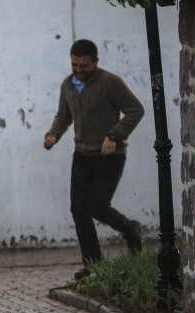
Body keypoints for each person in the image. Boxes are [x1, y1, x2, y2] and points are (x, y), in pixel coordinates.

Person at [44, 39, 144, 280]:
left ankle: (130, 229)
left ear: (96, 62)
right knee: (79, 210)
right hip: (82, 156)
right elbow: (64, 115)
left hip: (110, 155)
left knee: (97, 207)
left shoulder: (110, 83)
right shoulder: (67, 85)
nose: (78, 70)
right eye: (74, 65)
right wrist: (53, 133)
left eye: (84, 66)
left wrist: (114, 135)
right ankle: (94, 266)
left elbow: (135, 110)